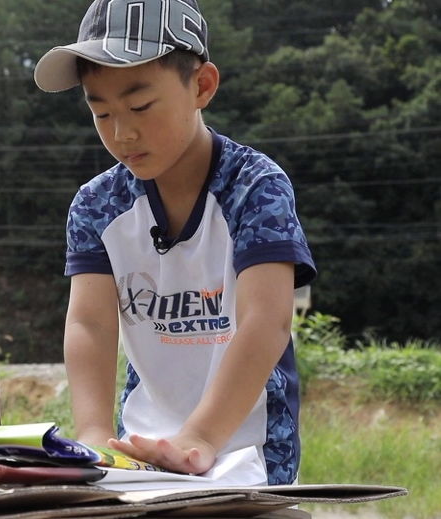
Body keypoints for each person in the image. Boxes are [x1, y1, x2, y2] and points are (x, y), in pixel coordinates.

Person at [33, 0, 316, 485]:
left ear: (201, 86)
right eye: (101, 112)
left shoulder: (255, 187)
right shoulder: (96, 206)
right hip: (141, 450)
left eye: (140, 106)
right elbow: (90, 324)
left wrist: (202, 438)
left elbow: (266, 320)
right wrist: (97, 435)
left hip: (245, 452)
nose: (123, 133)